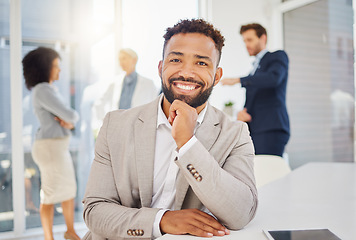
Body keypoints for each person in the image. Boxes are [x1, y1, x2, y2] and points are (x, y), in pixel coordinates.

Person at [82, 19, 257, 240]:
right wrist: (162, 220)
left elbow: (241, 212)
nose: (186, 72)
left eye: (201, 63)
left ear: (217, 76)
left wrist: (187, 144)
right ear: (160, 67)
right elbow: (95, 210)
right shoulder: (115, 125)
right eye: (176, 59)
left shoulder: (234, 134)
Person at [22, 47, 81, 240]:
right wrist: (71, 120)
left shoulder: (47, 89)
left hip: (55, 147)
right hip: (50, 148)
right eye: (56, 66)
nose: (60, 70)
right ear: (44, 68)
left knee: (68, 189)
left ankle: (70, 231)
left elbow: (67, 119)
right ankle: (49, 237)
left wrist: (68, 121)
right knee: (49, 193)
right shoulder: (43, 90)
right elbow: (71, 115)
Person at [221, 23, 290, 157]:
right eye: (244, 41)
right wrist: (244, 113)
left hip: (270, 128)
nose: (246, 44)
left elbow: (273, 78)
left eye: (250, 40)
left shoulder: (277, 56)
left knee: (268, 173)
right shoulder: (255, 68)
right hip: (256, 129)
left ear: (262, 38)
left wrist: (238, 80)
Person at [92, 48, 158, 136]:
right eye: (119, 59)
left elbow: (155, 108)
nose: (121, 62)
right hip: (118, 129)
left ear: (134, 60)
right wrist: (105, 121)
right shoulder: (114, 83)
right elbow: (99, 103)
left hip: (139, 130)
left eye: (124, 58)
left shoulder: (148, 84)